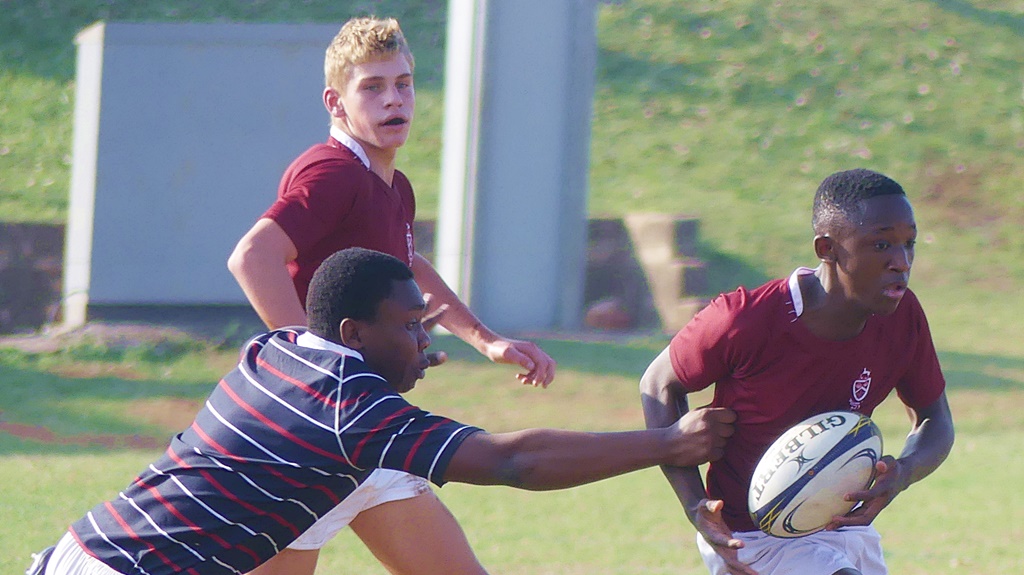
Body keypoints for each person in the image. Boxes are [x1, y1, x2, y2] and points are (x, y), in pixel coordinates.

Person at [30, 247, 737, 575]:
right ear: (353, 334)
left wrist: (401, 353)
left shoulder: (275, 349)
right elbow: (514, 460)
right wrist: (668, 442)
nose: (424, 339)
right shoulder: (350, 408)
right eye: (410, 326)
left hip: (82, 550)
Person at [226, 17, 557, 575]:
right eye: (372, 87)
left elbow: (406, 265)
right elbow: (252, 257)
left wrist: (487, 340)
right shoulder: (332, 173)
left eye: (402, 83)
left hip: (364, 429)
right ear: (336, 102)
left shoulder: (391, 185)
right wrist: (310, 375)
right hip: (306, 438)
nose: (393, 98)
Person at [639, 168, 955, 575]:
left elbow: (935, 418)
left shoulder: (903, 314)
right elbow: (659, 383)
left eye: (909, 243)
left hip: (842, 527)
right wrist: (694, 504)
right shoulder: (745, 319)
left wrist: (904, 472)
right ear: (828, 249)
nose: (901, 261)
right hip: (751, 538)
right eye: (881, 244)